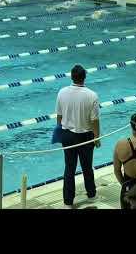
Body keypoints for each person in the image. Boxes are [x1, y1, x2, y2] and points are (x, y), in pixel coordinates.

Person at [55, 65, 101, 209]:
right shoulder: (92, 95)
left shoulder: (62, 92)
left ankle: (68, 202)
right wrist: (97, 138)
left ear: (71, 77)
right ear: (84, 77)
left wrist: (59, 134)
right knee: (87, 167)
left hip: (67, 135)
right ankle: (92, 195)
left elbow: (59, 117)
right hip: (86, 136)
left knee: (69, 168)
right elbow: (95, 121)